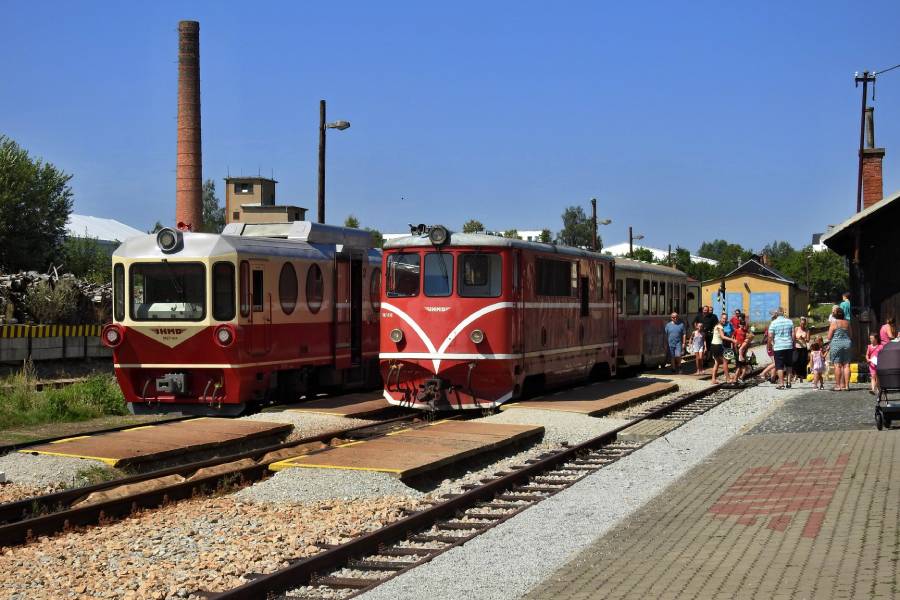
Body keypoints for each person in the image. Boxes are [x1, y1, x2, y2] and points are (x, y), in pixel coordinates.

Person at [826, 306, 852, 391]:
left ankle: (838, 386)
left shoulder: (834, 323)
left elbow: (829, 337)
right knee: (846, 365)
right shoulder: (847, 323)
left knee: (837, 365)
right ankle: (847, 386)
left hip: (836, 344)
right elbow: (851, 335)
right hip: (847, 344)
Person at [769, 308, 795, 390]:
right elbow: (793, 335)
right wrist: (792, 343)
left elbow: (770, 335)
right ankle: (789, 383)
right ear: (783, 313)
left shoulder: (773, 323)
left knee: (779, 366)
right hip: (788, 346)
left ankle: (781, 384)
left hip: (778, 347)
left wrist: (773, 343)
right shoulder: (790, 321)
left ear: (777, 314)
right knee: (789, 365)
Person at [710, 314, 735, 385]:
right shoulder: (720, 327)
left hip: (714, 345)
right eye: (723, 318)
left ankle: (713, 379)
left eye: (726, 319)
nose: (724, 320)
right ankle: (728, 379)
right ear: (720, 318)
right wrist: (732, 340)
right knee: (725, 361)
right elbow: (722, 336)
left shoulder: (717, 325)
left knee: (717, 362)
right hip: (717, 346)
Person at [793, 316, 810, 384]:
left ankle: (802, 376)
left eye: (804, 324)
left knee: (803, 362)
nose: (802, 325)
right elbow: (793, 338)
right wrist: (797, 339)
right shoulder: (796, 329)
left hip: (803, 347)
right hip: (797, 347)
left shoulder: (807, 330)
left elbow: (808, 340)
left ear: (805, 324)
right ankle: (796, 374)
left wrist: (803, 339)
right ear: (799, 323)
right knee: (795, 360)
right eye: (801, 323)